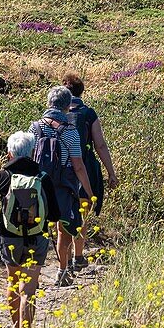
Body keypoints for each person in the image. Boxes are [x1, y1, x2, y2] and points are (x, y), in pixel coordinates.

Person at [0, 131, 61, 328]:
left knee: (13, 282)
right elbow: (55, 215)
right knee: (29, 290)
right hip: (36, 237)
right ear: (32, 152)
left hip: (9, 236)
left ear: (9, 154)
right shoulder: (42, 178)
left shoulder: (4, 176)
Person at [30, 86, 96, 287]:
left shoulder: (36, 127)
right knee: (63, 229)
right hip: (64, 185)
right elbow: (78, 165)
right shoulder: (70, 131)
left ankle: (34, 275)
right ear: (68, 106)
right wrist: (89, 191)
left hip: (39, 183)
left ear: (49, 103)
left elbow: (30, 155)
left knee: (37, 228)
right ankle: (62, 271)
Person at [62, 73, 120, 272]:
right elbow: (100, 145)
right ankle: (78, 256)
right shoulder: (89, 114)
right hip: (86, 167)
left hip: (61, 170)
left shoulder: (55, 114)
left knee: (62, 214)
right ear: (81, 91)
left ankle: (65, 260)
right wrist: (111, 172)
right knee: (82, 212)